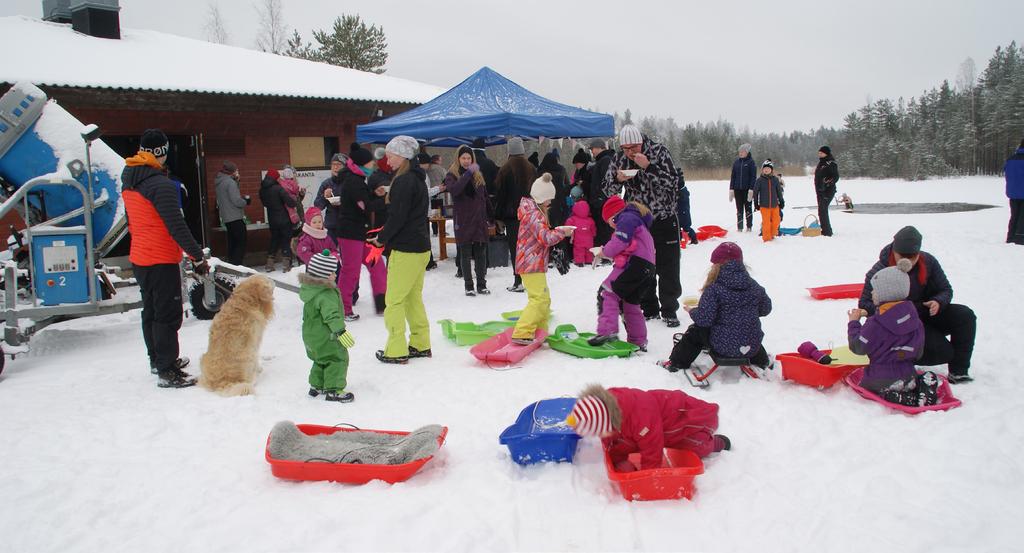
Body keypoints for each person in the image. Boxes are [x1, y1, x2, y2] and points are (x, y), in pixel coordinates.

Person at [121, 129, 207, 388]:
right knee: (168, 315)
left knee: (151, 310)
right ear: (161, 151)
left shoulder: (130, 178)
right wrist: (197, 256)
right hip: (160, 259)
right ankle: (167, 370)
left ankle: (157, 359)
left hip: (140, 257)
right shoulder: (161, 185)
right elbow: (177, 226)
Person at [857, 226, 977, 383]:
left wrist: (938, 301)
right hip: (899, 326)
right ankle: (897, 362)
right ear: (894, 250)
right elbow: (864, 303)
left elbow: (945, 289)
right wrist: (895, 310)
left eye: (912, 257)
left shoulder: (928, 262)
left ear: (918, 253)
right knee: (942, 351)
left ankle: (959, 372)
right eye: (902, 256)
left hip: (926, 314)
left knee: (965, 315)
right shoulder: (880, 271)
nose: (907, 261)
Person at [601, 124, 682, 327]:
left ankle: (670, 309)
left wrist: (649, 167)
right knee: (642, 265)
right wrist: (617, 180)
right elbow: (607, 190)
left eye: (634, 147)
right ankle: (649, 307)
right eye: (626, 149)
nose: (630, 152)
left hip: (664, 218)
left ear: (642, 142)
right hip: (638, 223)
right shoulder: (619, 158)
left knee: (668, 265)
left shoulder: (659, 152)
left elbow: (674, 183)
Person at [660, 242, 772, 372]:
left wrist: (693, 311)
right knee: (747, 330)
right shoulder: (754, 286)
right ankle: (763, 361)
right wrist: (745, 311)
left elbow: (704, 319)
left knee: (696, 331)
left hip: (722, 345)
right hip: (751, 346)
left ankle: (677, 363)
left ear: (716, 266)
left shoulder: (715, 289)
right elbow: (766, 309)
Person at [566, 384, 730, 472]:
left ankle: (716, 443)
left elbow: (652, 448)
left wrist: (648, 474)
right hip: (662, 426)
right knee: (633, 439)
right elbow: (617, 440)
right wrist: (618, 460)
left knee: (696, 448)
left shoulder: (641, 418)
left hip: (689, 420)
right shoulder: (610, 411)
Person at [371, 136, 432, 365]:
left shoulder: (405, 181)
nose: (388, 159)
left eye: (391, 155)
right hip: (420, 246)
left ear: (403, 156)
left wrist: (381, 239)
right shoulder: (416, 178)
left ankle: (395, 349)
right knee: (412, 298)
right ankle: (421, 343)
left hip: (406, 249)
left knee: (394, 301)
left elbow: (397, 217)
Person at [847, 258, 939, 407]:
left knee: (881, 387)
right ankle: (916, 391)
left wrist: (854, 322)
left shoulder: (876, 323)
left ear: (885, 293)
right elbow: (918, 353)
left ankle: (893, 394)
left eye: (875, 290)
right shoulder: (915, 320)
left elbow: (858, 347)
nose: (872, 294)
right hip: (909, 376)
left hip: (877, 380)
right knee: (913, 379)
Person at [509, 173, 572, 345]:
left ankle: (540, 330)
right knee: (538, 299)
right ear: (541, 197)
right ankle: (522, 331)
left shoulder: (534, 211)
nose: (550, 203)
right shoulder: (533, 214)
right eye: (548, 199)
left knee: (544, 299)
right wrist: (562, 232)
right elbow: (545, 237)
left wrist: (558, 230)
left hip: (533, 263)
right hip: (530, 264)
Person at [588, 197, 655, 350]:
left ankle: (607, 331)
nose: (612, 226)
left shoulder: (626, 218)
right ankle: (638, 341)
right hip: (647, 268)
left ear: (614, 215)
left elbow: (620, 242)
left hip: (636, 264)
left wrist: (603, 251)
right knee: (630, 304)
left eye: (609, 222)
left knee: (607, 292)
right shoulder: (636, 220)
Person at [336, 146, 387, 319]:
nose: (373, 164)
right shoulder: (353, 181)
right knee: (351, 271)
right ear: (360, 164)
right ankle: (344, 309)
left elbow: (366, 200)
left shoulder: (359, 178)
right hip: (350, 234)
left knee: (378, 266)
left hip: (363, 233)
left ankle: (382, 305)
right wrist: (385, 200)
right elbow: (366, 206)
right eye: (370, 162)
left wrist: (375, 193)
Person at [300, 249, 356, 403]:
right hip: (327, 336)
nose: (335, 274)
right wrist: (340, 331)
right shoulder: (326, 294)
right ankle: (334, 389)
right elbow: (331, 315)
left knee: (320, 359)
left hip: (310, 336)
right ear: (324, 275)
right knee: (337, 358)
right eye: (332, 272)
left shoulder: (309, 290)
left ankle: (316, 386)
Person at [446, 146, 492, 296]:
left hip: (479, 220)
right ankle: (469, 286)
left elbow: (484, 197)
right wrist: (467, 174)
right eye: (463, 158)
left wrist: (492, 216)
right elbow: (455, 190)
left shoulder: (478, 175)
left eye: (469, 158)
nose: (466, 161)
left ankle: (481, 284)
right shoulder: (451, 175)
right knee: (465, 254)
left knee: (480, 253)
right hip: (464, 221)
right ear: (458, 159)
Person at [494, 137, 537, 292]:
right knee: (528, 248)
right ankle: (531, 280)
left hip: (512, 216)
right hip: (529, 214)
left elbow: (501, 195)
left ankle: (518, 280)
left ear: (509, 152)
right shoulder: (531, 168)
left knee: (515, 248)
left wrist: (498, 216)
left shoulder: (505, 169)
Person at [259, 168, 297, 272]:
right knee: (286, 240)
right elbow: (290, 203)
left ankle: (269, 264)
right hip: (284, 219)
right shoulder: (278, 188)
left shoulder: (262, 190)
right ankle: (286, 265)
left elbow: (265, 204)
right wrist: (294, 199)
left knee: (274, 240)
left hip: (272, 219)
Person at [214, 160, 249, 265]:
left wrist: (236, 181)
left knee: (232, 243)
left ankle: (231, 264)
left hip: (226, 217)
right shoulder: (230, 183)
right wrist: (246, 201)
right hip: (235, 217)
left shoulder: (220, 182)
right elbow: (236, 201)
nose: (237, 172)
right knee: (240, 243)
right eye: (236, 170)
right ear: (231, 171)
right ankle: (237, 265)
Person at [313, 153, 347, 242]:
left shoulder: (349, 183)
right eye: (333, 165)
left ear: (345, 167)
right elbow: (317, 206)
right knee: (330, 252)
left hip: (347, 225)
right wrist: (324, 196)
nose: (335, 167)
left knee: (347, 253)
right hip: (331, 225)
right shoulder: (326, 183)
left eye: (339, 165)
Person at [587, 138, 615, 246]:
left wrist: (600, 198)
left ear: (599, 148)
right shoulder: (601, 160)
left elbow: (607, 181)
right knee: (601, 228)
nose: (592, 151)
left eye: (593, 149)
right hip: (599, 201)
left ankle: (606, 253)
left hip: (603, 202)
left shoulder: (606, 160)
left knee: (604, 228)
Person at [752, 159, 784, 242]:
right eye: (765, 168)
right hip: (764, 206)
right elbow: (755, 193)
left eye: (768, 168)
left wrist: (781, 201)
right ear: (762, 170)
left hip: (775, 205)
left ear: (771, 170)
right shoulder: (759, 180)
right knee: (766, 223)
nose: (766, 170)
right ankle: (767, 238)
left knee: (777, 221)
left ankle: (773, 233)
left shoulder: (775, 180)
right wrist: (756, 204)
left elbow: (779, 192)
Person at [814, 146, 839, 236]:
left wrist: (827, 184)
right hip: (820, 190)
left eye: (821, 153)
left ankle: (827, 231)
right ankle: (825, 229)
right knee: (821, 210)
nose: (819, 154)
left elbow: (836, 177)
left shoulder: (830, 163)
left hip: (827, 190)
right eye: (819, 153)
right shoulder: (821, 163)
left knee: (822, 209)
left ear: (826, 153)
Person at [564, 197, 596, 266]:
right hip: (589, 240)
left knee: (578, 250)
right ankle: (589, 261)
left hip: (578, 239)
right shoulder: (590, 220)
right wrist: (594, 234)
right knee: (589, 250)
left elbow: (568, 226)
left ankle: (579, 262)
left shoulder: (573, 219)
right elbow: (593, 228)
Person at [1005, 138, 1024, 244]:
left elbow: (1007, 172)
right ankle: (1020, 238)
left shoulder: (1011, 159)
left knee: (1014, 215)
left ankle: (1011, 236)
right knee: (1022, 217)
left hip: (1012, 192)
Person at [676, 167, 698, 245]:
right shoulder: (678, 189)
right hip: (678, 211)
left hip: (683, 211)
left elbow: (683, 200)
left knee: (686, 226)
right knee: (677, 225)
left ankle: (694, 239)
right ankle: (679, 240)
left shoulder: (682, 190)